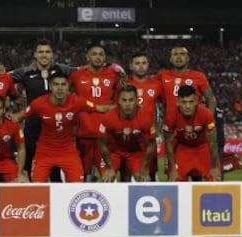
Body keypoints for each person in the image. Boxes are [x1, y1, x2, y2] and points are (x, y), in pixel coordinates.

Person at [9, 39, 76, 182]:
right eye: (41, 52)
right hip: (32, 127)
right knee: (27, 168)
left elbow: (84, 71)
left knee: (54, 171)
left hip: (54, 128)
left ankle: (56, 200)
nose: (44, 55)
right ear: (35, 54)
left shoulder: (61, 70)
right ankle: (29, 197)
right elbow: (2, 80)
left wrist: (112, 66)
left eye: (47, 52)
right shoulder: (25, 72)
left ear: (52, 54)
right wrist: (13, 97)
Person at [23, 71, 108, 182]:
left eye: (63, 84)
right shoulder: (38, 104)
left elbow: (100, 109)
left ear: (68, 86)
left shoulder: (77, 102)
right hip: (44, 153)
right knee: (37, 187)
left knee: (77, 187)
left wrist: (122, 108)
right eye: (56, 84)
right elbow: (21, 116)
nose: (60, 88)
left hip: (68, 152)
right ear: (50, 86)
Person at [155, 46, 217, 177]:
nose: (178, 57)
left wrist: (207, 119)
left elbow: (211, 99)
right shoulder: (162, 76)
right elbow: (152, 97)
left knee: (200, 174)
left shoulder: (198, 76)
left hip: (195, 128)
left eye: (182, 54)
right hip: (173, 131)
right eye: (175, 54)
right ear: (170, 58)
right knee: (174, 174)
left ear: (188, 58)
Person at [68, 43, 120, 182]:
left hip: (105, 135)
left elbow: (122, 98)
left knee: (107, 178)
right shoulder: (76, 75)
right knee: (82, 178)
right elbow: (65, 98)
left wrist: (113, 107)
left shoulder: (113, 76)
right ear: (87, 57)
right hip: (83, 134)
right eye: (94, 54)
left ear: (105, 58)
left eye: (101, 54)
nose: (98, 57)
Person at [98, 84, 156, 182]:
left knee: (141, 180)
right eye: (124, 100)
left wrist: (144, 168)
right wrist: (109, 168)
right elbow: (102, 144)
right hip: (114, 152)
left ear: (137, 101)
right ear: (118, 101)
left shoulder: (146, 118)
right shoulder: (108, 117)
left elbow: (151, 145)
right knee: (107, 179)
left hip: (136, 153)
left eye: (131, 100)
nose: (127, 104)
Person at [163, 85, 221, 181]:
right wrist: (173, 169)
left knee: (214, 179)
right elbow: (168, 143)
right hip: (183, 149)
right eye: (184, 102)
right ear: (178, 102)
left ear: (197, 101)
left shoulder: (206, 114)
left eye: (191, 102)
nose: (188, 106)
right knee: (175, 180)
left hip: (202, 148)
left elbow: (213, 142)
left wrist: (214, 167)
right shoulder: (170, 116)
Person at [122, 51, 163, 181]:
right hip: (128, 137)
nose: (141, 66)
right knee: (126, 175)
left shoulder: (157, 85)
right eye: (137, 63)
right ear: (131, 66)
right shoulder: (124, 85)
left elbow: (168, 106)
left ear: (148, 65)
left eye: (144, 63)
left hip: (148, 138)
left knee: (151, 175)